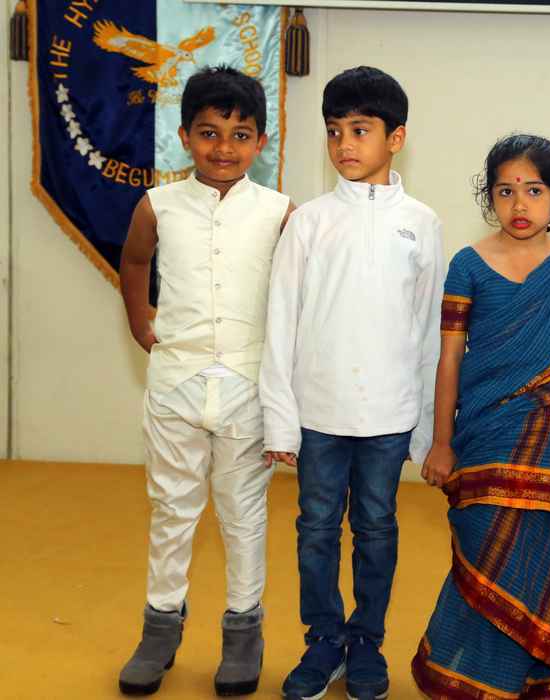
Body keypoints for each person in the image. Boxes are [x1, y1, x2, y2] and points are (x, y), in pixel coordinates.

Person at [411, 134, 550, 699]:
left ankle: (547, 672)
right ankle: (481, 675)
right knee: (486, 547)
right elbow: (450, 357)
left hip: (549, 434)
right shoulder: (468, 265)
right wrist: (441, 441)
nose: (519, 204)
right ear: (490, 198)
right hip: (482, 432)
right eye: (505, 192)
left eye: (534, 190)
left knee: (543, 551)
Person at [259, 66, 444, 700]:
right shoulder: (309, 221)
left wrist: (426, 426)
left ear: (397, 137)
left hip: (389, 417)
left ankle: (366, 642)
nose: (344, 144)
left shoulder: (421, 222)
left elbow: (428, 329)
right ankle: (322, 640)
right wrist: (280, 419)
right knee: (315, 530)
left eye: (360, 130)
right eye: (334, 131)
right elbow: (281, 322)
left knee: (376, 529)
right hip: (318, 414)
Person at [117, 65, 293, 697]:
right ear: (185, 136)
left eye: (240, 135)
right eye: (209, 132)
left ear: (261, 141)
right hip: (177, 385)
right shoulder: (158, 204)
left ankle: (243, 631)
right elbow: (134, 260)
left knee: (243, 514)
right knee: (172, 509)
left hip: (248, 384)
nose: (224, 148)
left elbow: (295, 293)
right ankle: (159, 628)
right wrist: (142, 325)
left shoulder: (279, 211)